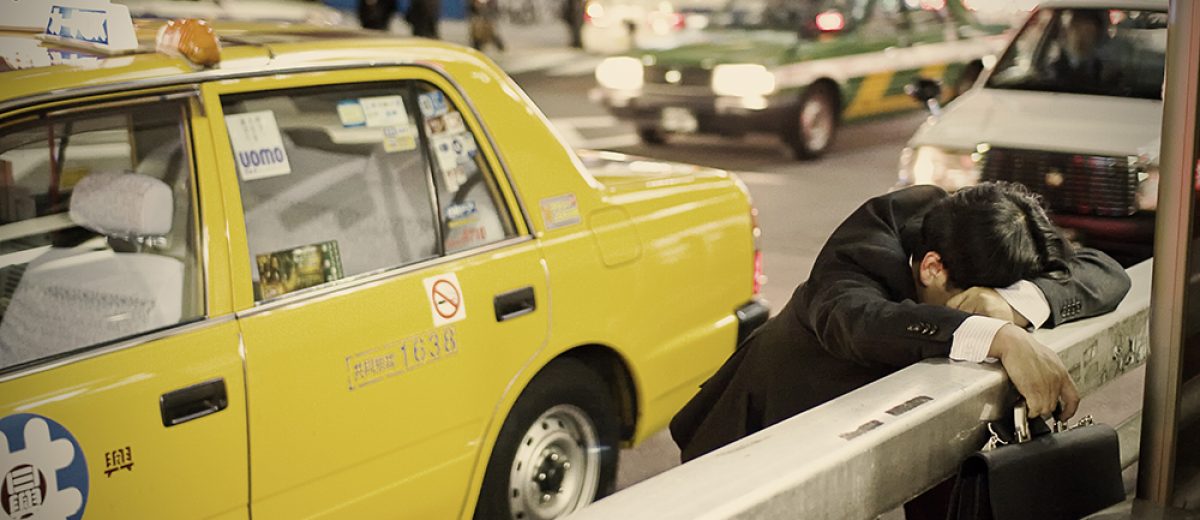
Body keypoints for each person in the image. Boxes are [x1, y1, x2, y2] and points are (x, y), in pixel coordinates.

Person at [670, 183, 1131, 464]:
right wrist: (998, 336)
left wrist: (1013, 305)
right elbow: (861, 324)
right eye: (967, 303)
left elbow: (1107, 273)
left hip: (858, 439)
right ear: (932, 268)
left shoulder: (989, 230)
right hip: (751, 443)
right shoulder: (858, 256)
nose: (976, 312)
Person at [1046, 9, 1111, 85]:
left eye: (1088, 32)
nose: (1081, 38)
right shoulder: (1053, 72)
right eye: (1077, 29)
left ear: (1096, 37)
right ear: (1068, 34)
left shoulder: (1103, 72)